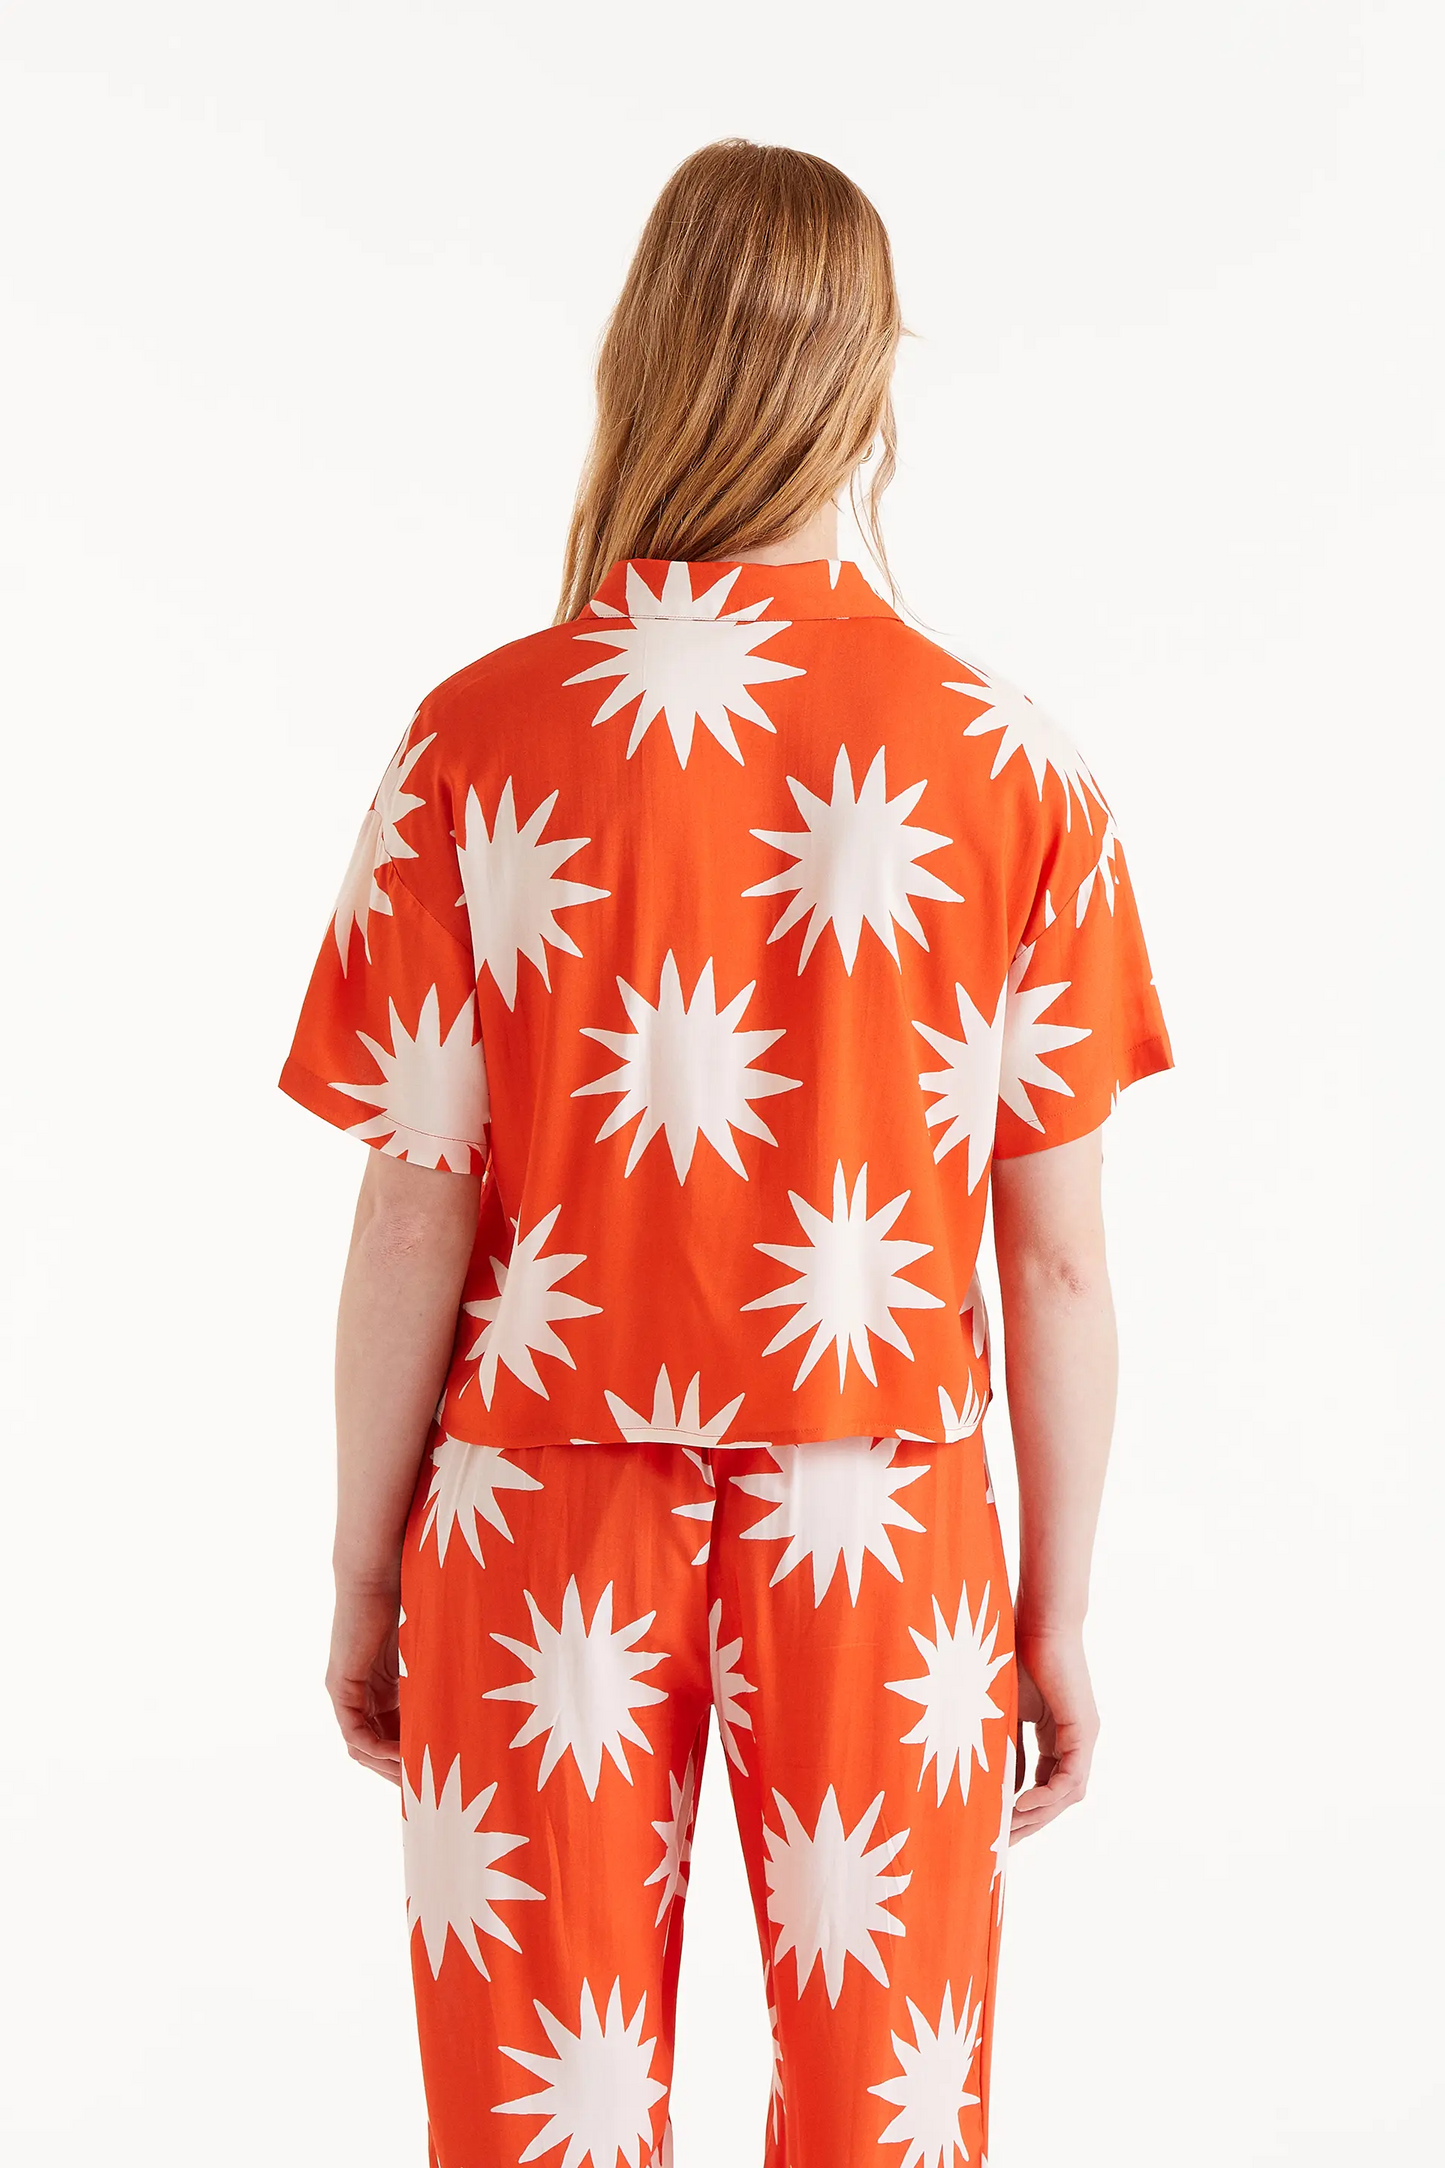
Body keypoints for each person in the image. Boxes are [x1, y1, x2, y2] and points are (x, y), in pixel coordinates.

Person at [279, 137, 1173, 2168]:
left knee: (543, 2113)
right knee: (884, 2119)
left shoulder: (477, 740)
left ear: (641, 363)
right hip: (885, 1513)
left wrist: (362, 1567)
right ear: (868, 388)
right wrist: (1054, 1610)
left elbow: (412, 1209)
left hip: (534, 1509)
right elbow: (1052, 1259)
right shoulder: (1010, 762)